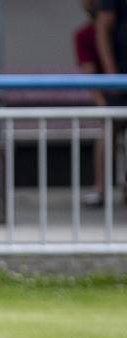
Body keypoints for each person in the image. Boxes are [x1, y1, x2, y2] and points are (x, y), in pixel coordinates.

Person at [75, 0, 108, 207]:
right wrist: (102, 106)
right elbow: (89, 74)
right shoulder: (84, 35)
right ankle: (100, 188)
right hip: (109, 97)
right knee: (106, 134)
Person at [94, 0, 127, 205]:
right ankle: (100, 189)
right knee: (109, 131)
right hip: (120, 81)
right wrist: (111, 72)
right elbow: (102, 26)